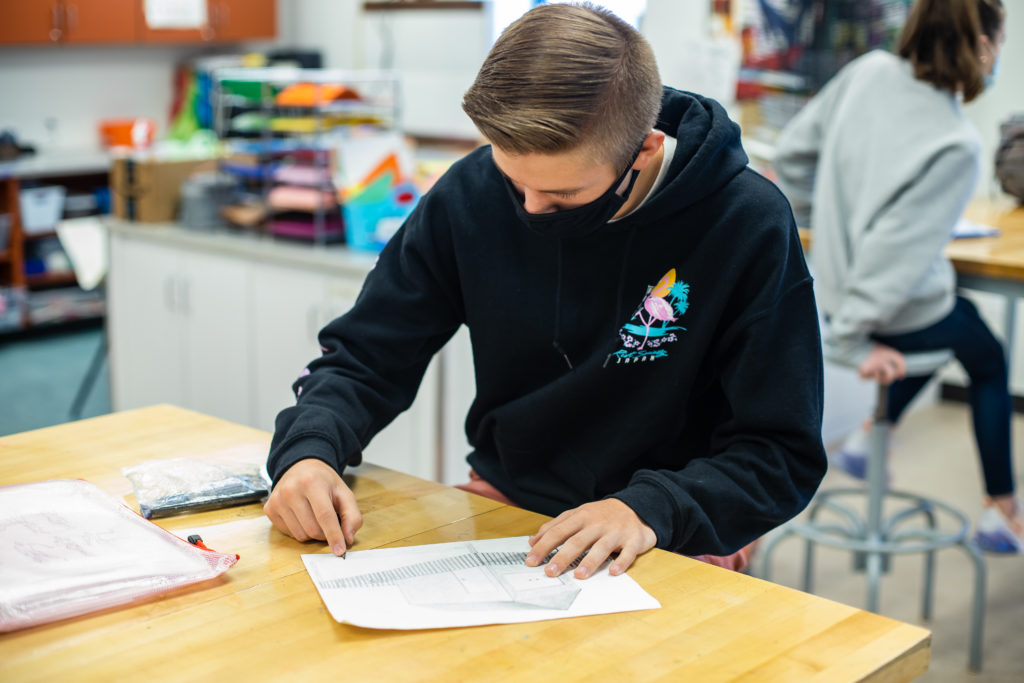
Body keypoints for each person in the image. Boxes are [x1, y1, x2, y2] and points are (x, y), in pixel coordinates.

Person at [264, 2, 827, 577]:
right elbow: (366, 356)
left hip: (671, 526)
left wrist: (649, 509)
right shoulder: (470, 193)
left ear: (645, 150)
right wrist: (309, 449)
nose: (532, 211)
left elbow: (779, 454)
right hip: (512, 500)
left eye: (563, 198)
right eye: (515, 183)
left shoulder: (745, 223)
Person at [774, 0, 1021, 552]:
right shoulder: (956, 143)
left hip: (834, 289)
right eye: (1000, 41)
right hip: (883, 311)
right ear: (982, 45)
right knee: (986, 355)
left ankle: (867, 441)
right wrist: (851, 339)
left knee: (958, 316)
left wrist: (838, 221)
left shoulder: (868, 70)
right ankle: (1002, 510)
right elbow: (892, 263)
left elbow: (791, 158)